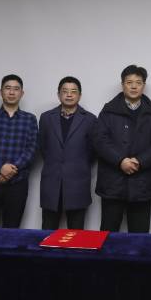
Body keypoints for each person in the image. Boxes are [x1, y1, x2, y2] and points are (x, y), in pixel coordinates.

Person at [92, 65, 151, 233]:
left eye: (138, 82)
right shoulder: (108, 111)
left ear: (144, 86)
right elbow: (100, 140)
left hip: (142, 182)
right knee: (108, 234)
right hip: (112, 182)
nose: (134, 86)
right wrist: (120, 161)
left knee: (140, 236)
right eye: (129, 82)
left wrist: (139, 161)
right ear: (122, 85)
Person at [0, 74, 38, 228]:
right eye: (8, 88)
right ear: (1, 92)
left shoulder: (30, 119)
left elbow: (32, 148)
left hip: (17, 183)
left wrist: (11, 170)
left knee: (13, 229)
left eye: (16, 89)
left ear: (22, 93)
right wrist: (1, 167)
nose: (11, 92)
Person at [38, 76, 97, 230]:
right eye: (65, 91)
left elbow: (92, 151)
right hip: (52, 182)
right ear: (58, 95)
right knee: (48, 231)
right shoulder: (46, 118)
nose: (69, 95)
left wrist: (76, 164)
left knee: (76, 232)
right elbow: (43, 147)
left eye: (73, 91)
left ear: (80, 95)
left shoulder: (90, 119)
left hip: (78, 183)